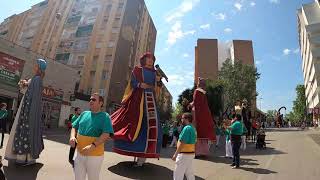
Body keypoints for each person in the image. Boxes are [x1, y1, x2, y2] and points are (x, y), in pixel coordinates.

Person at [111, 52, 163, 167]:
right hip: (137, 101)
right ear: (144, 60)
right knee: (134, 125)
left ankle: (142, 158)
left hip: (151, 102)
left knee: (149, 128)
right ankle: (136, 153)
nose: (150, 61)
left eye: (152, 59)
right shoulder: (137, 70)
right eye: (148, 58)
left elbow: (158, 88)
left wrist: (159, 81)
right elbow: (133, 83)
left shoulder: (156, 73)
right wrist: (140, 85)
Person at [5, 59, 47, 166]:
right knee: (23, 131)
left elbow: (34, 98)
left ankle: (26, 158)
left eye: (36, 65)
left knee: (26, 132)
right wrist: (24, 84)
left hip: (28, 109)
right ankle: (22, 157)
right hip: (26, 107)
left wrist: (29, 111)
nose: (34, 66)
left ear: (39, 67)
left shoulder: (37, 79)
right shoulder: (35, 79)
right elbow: (27, 92)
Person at [70, 93, 113, 180]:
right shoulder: (84, 114)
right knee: (78, 178)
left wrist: (92, 145)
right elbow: (74, 127)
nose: (91, 101)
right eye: (90, 99)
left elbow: (106, 134)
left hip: (95, 156)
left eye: (94, 100)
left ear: (100, 103)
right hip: (79, 154)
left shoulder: (105, 116)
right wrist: (72, 137)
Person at [189, 77, 215, 157]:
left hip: (198, 115)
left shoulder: (197, 91)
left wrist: (191, 105)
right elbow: (199, 102)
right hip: (205, 114)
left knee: (197, 133)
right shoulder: (203, 93)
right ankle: (204, 152)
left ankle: (197, 152)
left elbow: (196, 102)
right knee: (203, 135)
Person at [172, 113, 197, 180]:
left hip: (184, 154)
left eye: (182, 118)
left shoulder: (187, 128)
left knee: (178, 175)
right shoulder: (193, 128)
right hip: (190, 153)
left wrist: (175, 154)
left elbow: (182, 142)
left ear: (187, 119)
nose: (181, 120)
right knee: (189, 174)